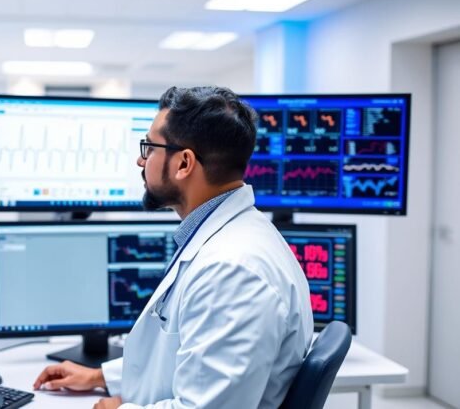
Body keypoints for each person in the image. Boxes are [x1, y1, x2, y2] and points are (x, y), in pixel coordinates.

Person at [33, 86, 314, 409]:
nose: (141, 159)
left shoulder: (234, 270)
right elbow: (186, 360)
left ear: (184, 163)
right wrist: (101, 377)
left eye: (149, 147)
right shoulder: (230, 238)